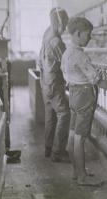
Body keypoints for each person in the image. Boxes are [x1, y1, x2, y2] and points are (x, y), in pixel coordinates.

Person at [61, 17, 107, 186]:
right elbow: (96, 80)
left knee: (73, 134)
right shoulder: (80, 55)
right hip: (85, 96)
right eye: (88, 34)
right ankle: (82, 177)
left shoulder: (67, 53)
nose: (90, 38)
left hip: (73, 93)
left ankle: (76, 171)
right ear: (78, 34)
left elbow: (69, 75)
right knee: (81, 138)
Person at [38, 8, 70, 162]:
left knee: (50, 115)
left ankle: (48, 147)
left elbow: (40, 59)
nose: (64, 28)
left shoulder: (46, 33)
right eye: (64, 25)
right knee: (64, 113)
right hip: (54, 82)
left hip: (45, 80)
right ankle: (58, 152)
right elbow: (67, 62)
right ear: (59, 23)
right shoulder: (56, 41)